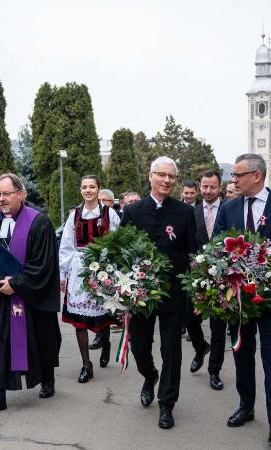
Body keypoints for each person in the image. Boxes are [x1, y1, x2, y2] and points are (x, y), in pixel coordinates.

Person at [214, 153, 271, 444]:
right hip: (238, 299)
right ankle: (246, 406)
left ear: (257, 175)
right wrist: (217, 290)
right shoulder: (228, 208)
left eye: (238, 175)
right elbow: (216, 251)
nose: (234, 180)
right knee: (242, 353)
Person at [0, 173, 61, 416]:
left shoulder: (39, 222)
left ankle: (47, 378)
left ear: (21, 194)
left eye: (7, 194)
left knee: (41, 341)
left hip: (31, 297)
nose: (2, 199)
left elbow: (42, 263)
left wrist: (18, 284)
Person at [120, 156, 199, 429]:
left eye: (171, 177)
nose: (167, 180)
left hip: (173, 294)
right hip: (141, 295)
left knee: (172, 351)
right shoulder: (132, 212)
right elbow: (120, 253)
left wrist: (198, 290)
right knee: (139, 347)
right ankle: (149, 375)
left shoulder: (185, 212)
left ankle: (167, 404)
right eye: (161, 175)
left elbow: (193, 253)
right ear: (150, 176)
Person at [59, 175, 120, 382]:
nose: (87, 190)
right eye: (84, 187)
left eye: (91, 187)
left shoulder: (108, 213)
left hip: (103, 267)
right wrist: (63, 274)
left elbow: (117, 242)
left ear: (98, 189)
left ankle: (106, 343)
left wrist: (114, 269)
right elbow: (66, 245)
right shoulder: (74, 215)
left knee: (102, 314)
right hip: (79, 269)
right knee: (80, 321)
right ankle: (86, 364)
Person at [184, 170, 228, 391]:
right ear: (200, 187)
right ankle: (201, 347)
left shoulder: (230, 210)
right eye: (205, 187)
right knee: (190, 319)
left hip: (223, 277)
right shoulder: (190, 212)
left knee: (218, 327)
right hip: (196, 276)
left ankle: (214, 370)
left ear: (220, 187)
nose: (208, 191)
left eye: (212, 187)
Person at [90, 190, 141, 351]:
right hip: (114, 265)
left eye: (136, 201)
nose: (133, 204)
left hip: (138, 266)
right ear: (123, 204)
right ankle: (101, 336)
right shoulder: (117, 218)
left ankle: (134, 332)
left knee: (135, 301)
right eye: (130, 202)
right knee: (105, 302)